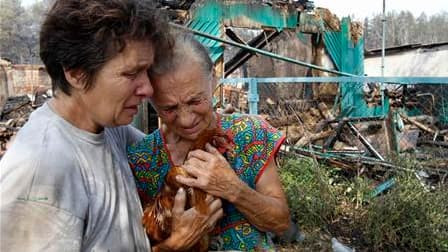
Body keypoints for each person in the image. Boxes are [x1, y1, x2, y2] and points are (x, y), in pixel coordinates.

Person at [0, 1, 222, 251]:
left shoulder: (110, 129)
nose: (148, 89)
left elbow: (169, 149)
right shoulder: (41, 173)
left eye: (146, 71)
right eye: (130, 74)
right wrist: (174, 246)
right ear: (76, 74)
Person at [127, 31, 290, 251]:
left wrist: (235, 189)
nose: (186, 120)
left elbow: (281, 223)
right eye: (169, 108)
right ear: (151, 99)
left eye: (195, 100)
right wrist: (177, 241)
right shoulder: (141, 160)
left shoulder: (250, 134)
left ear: (213, 78)